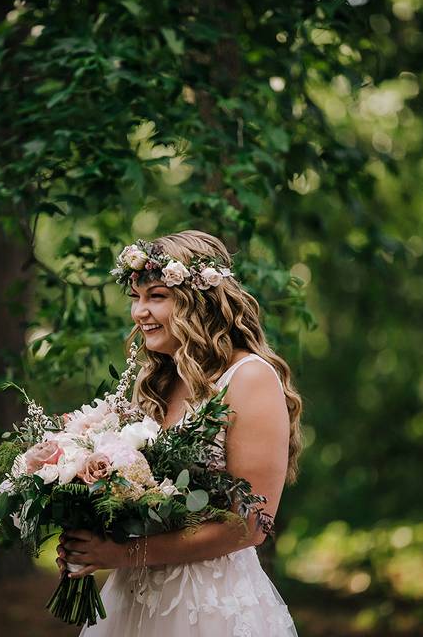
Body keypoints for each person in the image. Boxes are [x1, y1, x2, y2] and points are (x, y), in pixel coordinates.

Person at [56, 230, 302, 636]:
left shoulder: (250, 378)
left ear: (198, 302)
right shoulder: (156, 382)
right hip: (134, 598)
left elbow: (252, 525)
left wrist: (123, 552)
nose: (139, 312)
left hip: (208, 604)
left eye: (156, 296)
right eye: (135, 297)